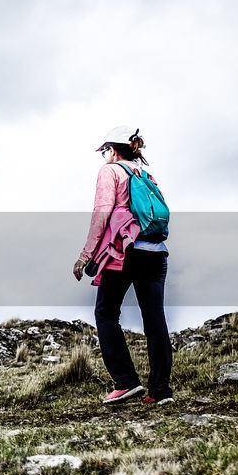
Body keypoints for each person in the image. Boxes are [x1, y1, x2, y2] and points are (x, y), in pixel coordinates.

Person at [74, 126, 172, 405]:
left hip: (124, 253)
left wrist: (86, 255)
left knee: (106, 313)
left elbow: (102, 213)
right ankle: (160, 391)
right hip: (156, 251)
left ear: (113, 150)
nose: (103, 156)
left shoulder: (111, 171)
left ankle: (126, 382)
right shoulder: (146, 174)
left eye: (104, 151)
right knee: (155, 319)